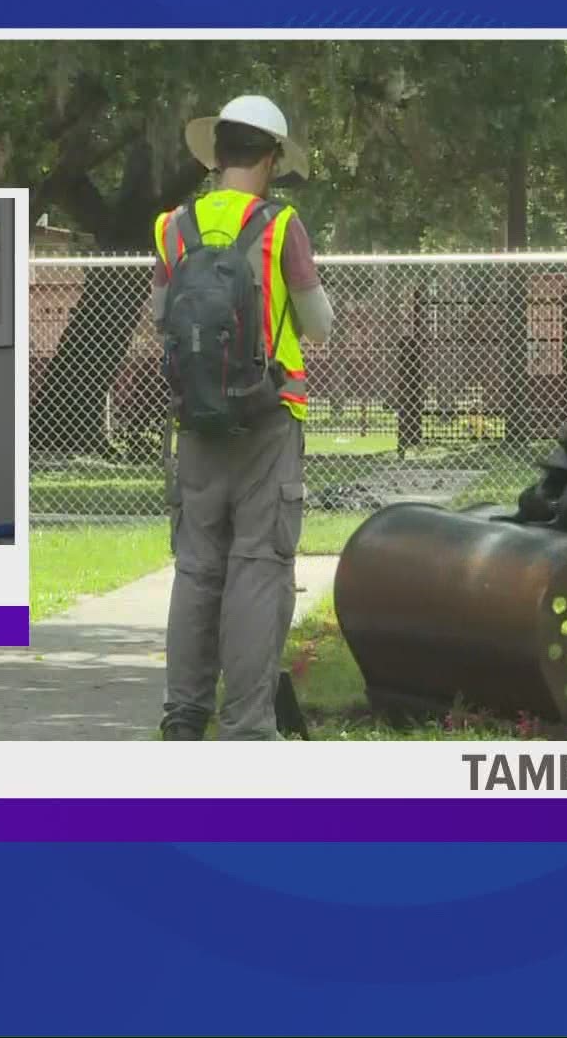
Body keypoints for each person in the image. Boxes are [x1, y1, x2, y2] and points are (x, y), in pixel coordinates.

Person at [152, 94, 338, 740]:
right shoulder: (282, 227)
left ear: (218, 153)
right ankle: (247, 727)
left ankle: (184, 714)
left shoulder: (173, 228)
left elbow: (160, 320)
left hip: (195, 423)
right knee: (258, 568)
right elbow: (318, 326)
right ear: (269, 158)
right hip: (268, 418)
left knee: (198, 567)